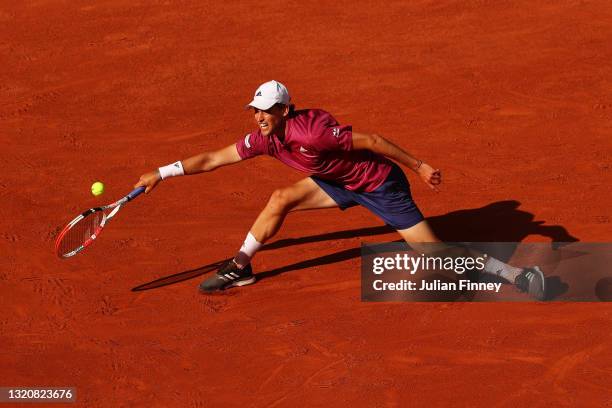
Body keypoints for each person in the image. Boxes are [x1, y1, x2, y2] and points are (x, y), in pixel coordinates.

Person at [135, 80, 545, 300]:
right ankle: (240, 266)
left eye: (266, 110)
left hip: (380, 185)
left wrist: (420, 167)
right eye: (255, 110)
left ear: (285, 110)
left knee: (434, 254)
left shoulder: (315, 132)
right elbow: (212, 159)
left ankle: (516, 275)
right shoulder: (263, 138)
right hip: (337, 183)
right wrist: (161, 172)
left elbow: (375, 141)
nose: (259, 117)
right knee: (281, 198)